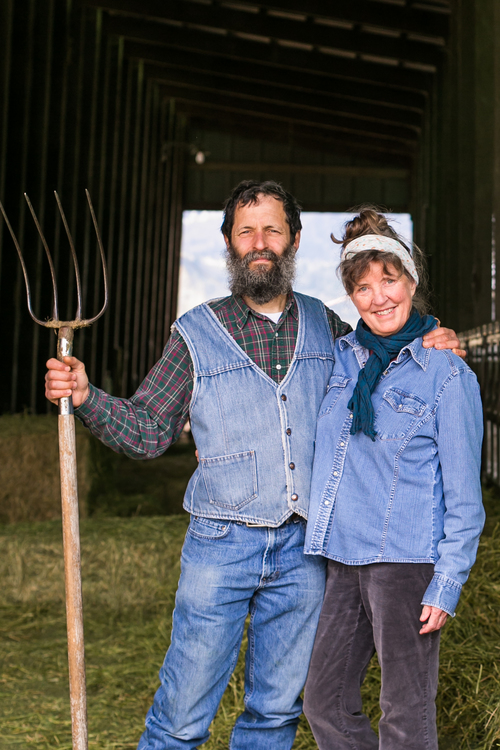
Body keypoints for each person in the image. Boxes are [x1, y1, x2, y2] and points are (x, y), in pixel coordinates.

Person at [45, 182, 461, 750]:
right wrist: (89, 396)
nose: (259, 242)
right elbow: (146, 431)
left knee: (273, 715)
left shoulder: (329, 329)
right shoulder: (195, 333)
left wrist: (437, 338)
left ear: (293, 239)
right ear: (228, 242)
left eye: (272, 229)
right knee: (182, 715)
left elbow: (390, 357)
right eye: (246, 231)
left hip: (307, 554)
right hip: (221, 545)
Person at [302, 209, 485, 750]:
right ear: (350, 296)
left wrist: (448, 582)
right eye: (363, 286)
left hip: (405, 564)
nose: (379, 297)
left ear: (411, 281)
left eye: (389, 280)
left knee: (404, 713)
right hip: (342, 559)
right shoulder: (342, 358)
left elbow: (465, 498)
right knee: (323, 701)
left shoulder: (447, 374)